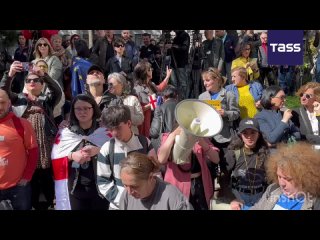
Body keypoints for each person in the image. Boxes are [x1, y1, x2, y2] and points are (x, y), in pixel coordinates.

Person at [1, 61, 62, 210]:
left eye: (36, 80)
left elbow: (57, 92)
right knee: (31, 189)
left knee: (48, 186)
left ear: (42, 85)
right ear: (25, 84)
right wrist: (9, 76)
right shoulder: (19, 99)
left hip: (45, 150)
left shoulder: (47, 100)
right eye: (29, 80)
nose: (32, 82)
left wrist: (44, 75)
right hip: (26, 151)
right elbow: (3, 93)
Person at [51, 94, 110, 210]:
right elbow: (55, 158)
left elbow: (116, 152)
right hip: (75, 188)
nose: (82, 112)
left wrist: (99, 150)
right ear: (73, 111)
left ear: (93, 109)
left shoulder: (105, 131)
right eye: (78, 108)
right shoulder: (65, 133)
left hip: (101, 187)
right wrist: (72, 156)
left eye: (86, 108)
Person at [97, 105, 157, 210]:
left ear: (129, 123)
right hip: (118, 206)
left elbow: (155, 173)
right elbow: (103, 182)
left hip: (145, 204)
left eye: (118, 128)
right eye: (111, 129)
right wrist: (123, 201)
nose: (114, 133)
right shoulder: (107, 149)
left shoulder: (144, 143)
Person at [158, 126, 220, 210]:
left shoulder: (202, 138)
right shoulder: (168, 136)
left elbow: (216, 159)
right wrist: (173, 136)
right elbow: (161, 159)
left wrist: (203, 143)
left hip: (200, 185)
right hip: (177, 185)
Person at [250, 142, 320, 210]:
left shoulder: (315, 202)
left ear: (304, 178)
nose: (281, 183)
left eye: (288, 179)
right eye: (279, 177)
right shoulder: (273, 189)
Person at [0, 89, 38, 210]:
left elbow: (33, 152)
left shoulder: (21, 124)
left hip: (17, 188)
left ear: (9, 103)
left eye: (2, 102)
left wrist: (27, 176)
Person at [119, 152, 192, 210]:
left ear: (150, 177)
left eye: (134, 186)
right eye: (125, 185)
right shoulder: (126, 196)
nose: (129, 192)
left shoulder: (173, 198)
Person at [227, 118, 269, 210]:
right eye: (245, 133)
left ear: (259, 134)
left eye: (253, 132)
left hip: (260, 197)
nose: (249, 136)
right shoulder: (233, 153)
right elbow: (223, 178)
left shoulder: (265, 153)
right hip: (239, 197)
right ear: (240, 135)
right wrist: (232, 198)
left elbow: (270, 178)